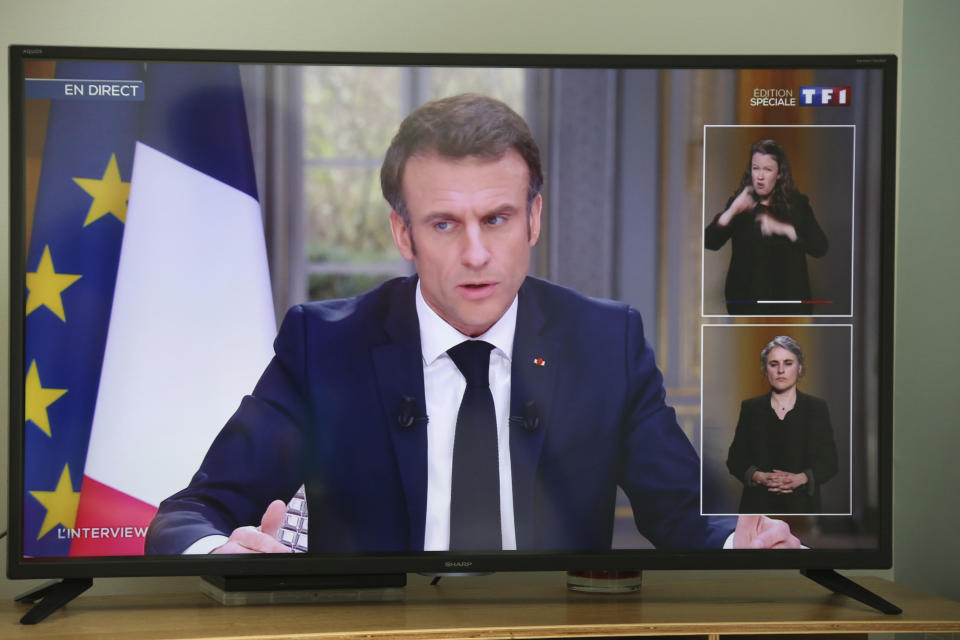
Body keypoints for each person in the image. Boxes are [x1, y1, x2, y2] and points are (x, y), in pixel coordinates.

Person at [145, 94, 800, 555]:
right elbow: (188, 517)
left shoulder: (606, 342)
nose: (477, 254)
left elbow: (688, 514)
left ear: (533, 219)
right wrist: (225, 555)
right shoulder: (325, 346)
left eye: (497, 218)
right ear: (403, 232)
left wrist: (741, 538)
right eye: (443, 224)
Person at [704, 139, 828, 315]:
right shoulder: (740, 204)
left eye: (767, 170)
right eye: (756, 168)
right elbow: (709, 242)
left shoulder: (797, 205)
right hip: (746, 310)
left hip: (789, 309)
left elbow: (820, 247)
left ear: (779, 174)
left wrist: (785, 229)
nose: (760, 176)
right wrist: (731, 211)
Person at [725, 335, 839, 514]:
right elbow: (735, 460)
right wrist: (759, 476)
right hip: (758, 507)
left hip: (803, 509)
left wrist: (801, 478)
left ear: (799, 368)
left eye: (788, 363)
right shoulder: (751, 408)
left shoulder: (816, 408)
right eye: (773, 364)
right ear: (765, 369)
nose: (780, 370)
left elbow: (830, 462)